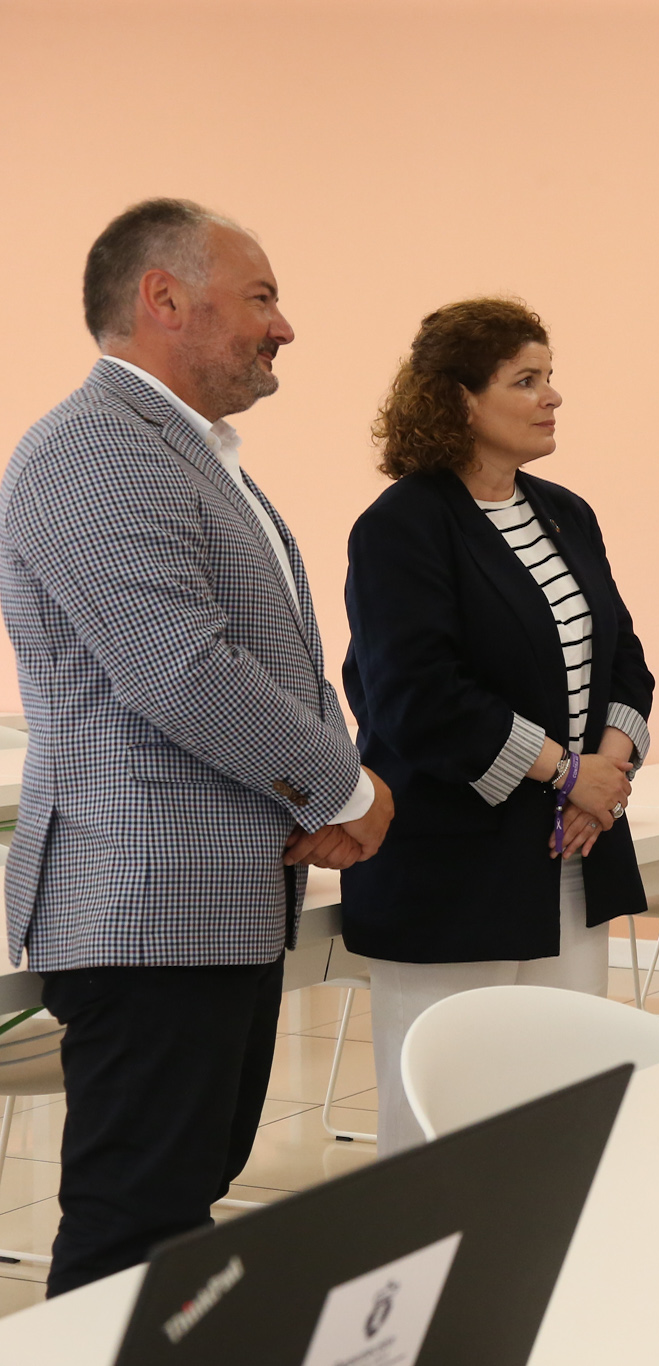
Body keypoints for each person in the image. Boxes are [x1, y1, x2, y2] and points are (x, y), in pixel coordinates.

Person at [0, 199, 394, 1293]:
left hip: (208, 901)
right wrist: (345, 789)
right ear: (163, 298)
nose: (284, 327)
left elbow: (268, 657)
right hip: (144, 907)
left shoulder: (186, 452)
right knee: (133, 1232)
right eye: (261, 297)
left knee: (179, 1219)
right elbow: (181, 667)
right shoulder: (92, 449)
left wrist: (326, 794)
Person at [340, 298, 651, 1153]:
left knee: (559, 1114)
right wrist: (566, 772)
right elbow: (416, 697)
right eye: (526, 380)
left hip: (573, 855)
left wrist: (605, 774)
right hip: (452, 871)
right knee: (443, 1132)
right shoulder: (402, 526)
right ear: (460, 400)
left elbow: (626, 661)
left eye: (549, 377)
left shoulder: (566, 512)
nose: (552, 396)